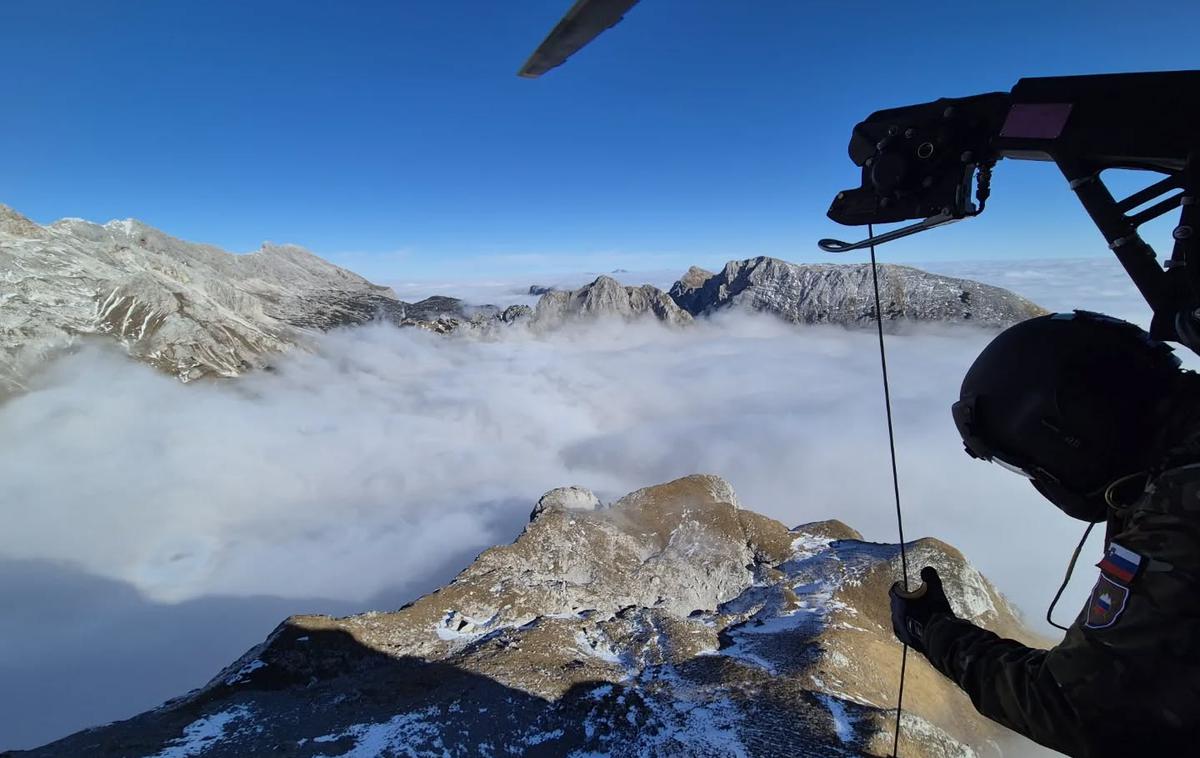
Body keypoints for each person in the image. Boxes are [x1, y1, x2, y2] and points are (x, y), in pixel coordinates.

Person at [888, 310, 1200, 757]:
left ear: (1071, 435)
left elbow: (1077, 708)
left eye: (1030, 464)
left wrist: (931, 630)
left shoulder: (1183, 505)